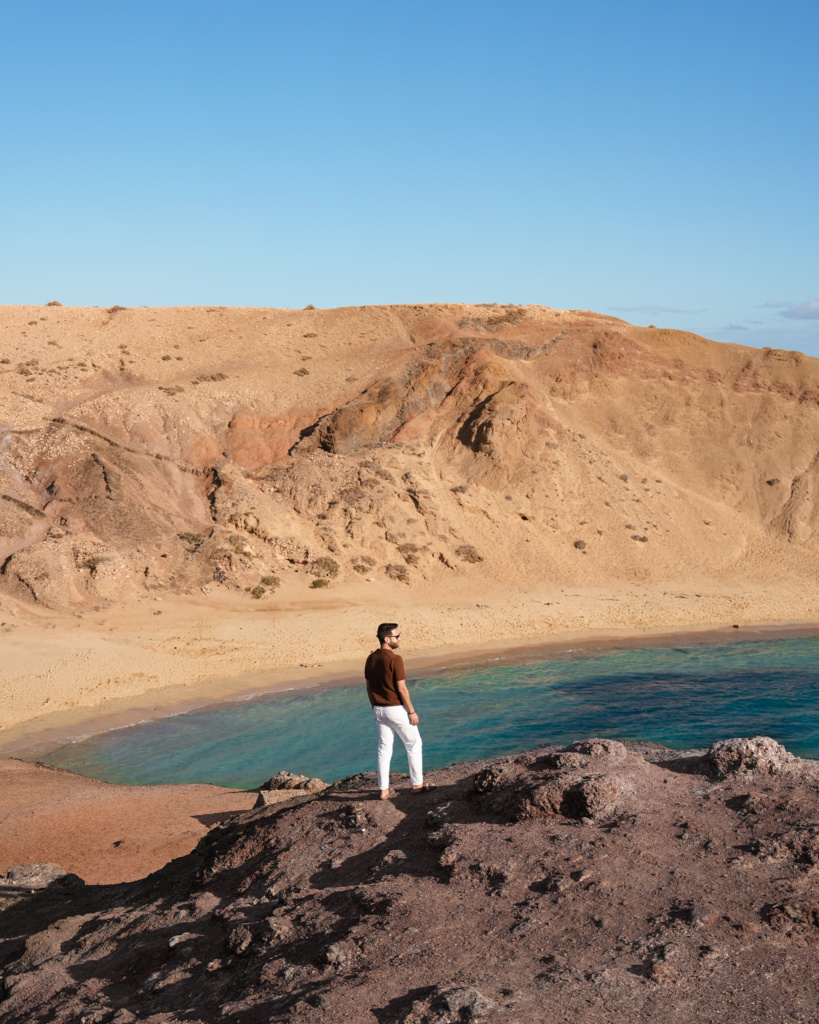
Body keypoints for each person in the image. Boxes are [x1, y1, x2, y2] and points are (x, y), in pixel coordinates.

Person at [365, 622, 435, 799]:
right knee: (413, 743)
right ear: (387, 639)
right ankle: (417, 785)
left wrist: (375, 707)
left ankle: (383, 790)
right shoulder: (395, 659)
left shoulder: (370, 658)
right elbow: (402, 689)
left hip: (378, 710)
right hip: (395, 709)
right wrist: (411, 711)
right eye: (397, 636)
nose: (399, 639)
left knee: (384, 748)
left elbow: (368, 687)